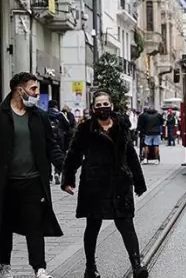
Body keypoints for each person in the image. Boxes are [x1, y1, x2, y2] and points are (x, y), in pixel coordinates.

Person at [0, 72, 65, 278]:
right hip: (3, 183)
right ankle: (5, 265)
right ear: (18, 89)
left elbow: (52, 146)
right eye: (33, 89)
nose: (36, 93)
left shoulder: (39, 116)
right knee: (4, 227)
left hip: (32, 182)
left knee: (35, 226)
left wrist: (66, 167)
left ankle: (39, 268)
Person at [62, 91, 148, 278]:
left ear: (112, 106)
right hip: (94, 184)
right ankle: (90, 267)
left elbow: (131, 154)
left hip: (119, 184)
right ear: (93, 108)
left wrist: (139, 182)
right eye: (98, 105)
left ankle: (136, 265)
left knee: (126, 225)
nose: (102, 108)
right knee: (93, 226)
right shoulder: (85, 129)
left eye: (105, 104)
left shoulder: (121, 127)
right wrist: (67, 180)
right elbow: (73, 154)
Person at [47, 100, 70, 185]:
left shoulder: (44, 114)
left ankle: (49, 177)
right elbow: (68, 126)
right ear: (56, 106)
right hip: (59, 139)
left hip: (48, 138)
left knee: (48, 157)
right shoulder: (60, 114)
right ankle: (57, 173)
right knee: (58, 155)